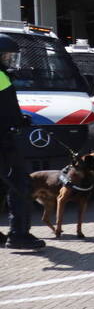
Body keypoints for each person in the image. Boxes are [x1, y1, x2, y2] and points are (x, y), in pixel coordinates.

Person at [0, 34, 45, 249]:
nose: (10, 60)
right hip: (5, 142)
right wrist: (19, 121)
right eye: (7, 55)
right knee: (20, 186)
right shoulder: (1, 77)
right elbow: (8, 109)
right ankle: (19, 234)